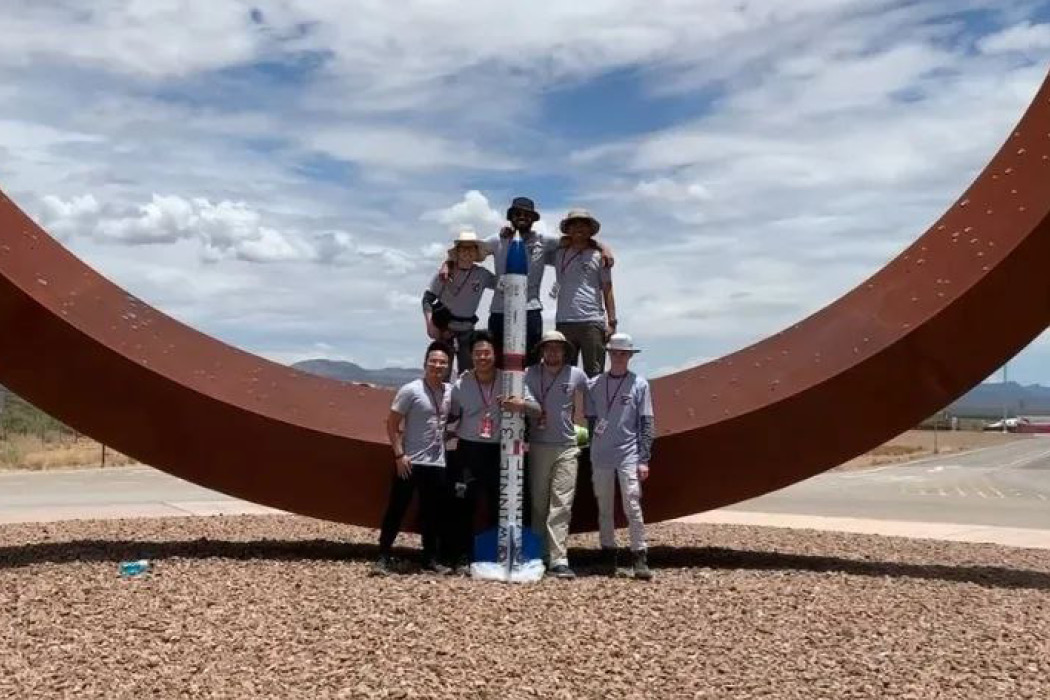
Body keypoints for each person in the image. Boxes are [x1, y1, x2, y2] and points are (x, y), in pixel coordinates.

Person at [436, 196, 615, 367]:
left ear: (533, 218)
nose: (522, 217)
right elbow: (468, 251)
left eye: (527, 214)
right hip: (500, 310)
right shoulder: (498, 240)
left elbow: (576, 239)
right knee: (496, 360)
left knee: (532, 360)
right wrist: (447, 264)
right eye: (517, 214)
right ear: (510, 217)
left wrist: (603, 247)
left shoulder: (543, 241)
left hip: (531, 309)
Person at [446, 330, 541, 574]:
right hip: (469, 450)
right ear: (471, 356)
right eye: (478, 354)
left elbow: (537, 409)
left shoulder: (510, 380)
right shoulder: (461, 383)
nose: (482, 357)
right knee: (465, 503)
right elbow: (449, 415)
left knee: (503, 502)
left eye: (486, 353)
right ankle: (462, 556)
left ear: (494, 354)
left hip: (501, 451)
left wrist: (520, 405)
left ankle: (500, 555)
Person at [374, 341, 455, 576]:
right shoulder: (411, 390)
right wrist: (399, 455)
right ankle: (382, 556)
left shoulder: (449, 392)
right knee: (396, 509)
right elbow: (391, 424)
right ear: (425, 363)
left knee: (433, 513)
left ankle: (429, 559)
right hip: (410, 461)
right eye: (433, 361)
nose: (437, 366)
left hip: (437, 462)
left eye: (442, 363)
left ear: (448, 367)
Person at [585, 332, 654, 580]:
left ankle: (639, 555)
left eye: (623, 353)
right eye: (615, 353)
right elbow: (592, 421)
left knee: (632, 505)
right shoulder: (595, 384)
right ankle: (608, 554)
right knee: (604, 506)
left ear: (629, 356)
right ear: (609, 354)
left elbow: (646, 423)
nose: (619, 357)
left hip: (628, 454)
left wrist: (644, 458)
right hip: (601, 455)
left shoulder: (640, 384)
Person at [525, 330, 589, 579]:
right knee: (539, 504)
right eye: (548, 348)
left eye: (557, 348)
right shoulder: (530, 374)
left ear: (565, 351)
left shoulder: (576, 375)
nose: (553, 352)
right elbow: (528, 404)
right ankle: (539, 556)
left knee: (562, 503)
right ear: (542, 351)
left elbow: (594, 398)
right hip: (539, 445)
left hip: (567, 446)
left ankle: (559, 559)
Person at [551, 209, 617, 377]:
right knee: (563, 374)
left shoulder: (599, 256)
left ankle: (593, 404)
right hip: (564, 321)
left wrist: (612, 322)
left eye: (583, 225)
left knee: (594, 373)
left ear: (590, 230)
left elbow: (607, 288)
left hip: (592, 322)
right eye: (574, 225)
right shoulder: (559, 253)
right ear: (568, 230)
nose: (578, 228)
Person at [421, 230, 496, 374]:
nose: (467, 252)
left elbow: (502, 284)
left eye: (471, 248)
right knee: (441, 372)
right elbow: (427, 298)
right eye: (464, 248)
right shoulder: (445, 272)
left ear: (476, 252)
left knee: (468, 373)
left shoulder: (483, 275)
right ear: (458, 251)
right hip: (445, 329)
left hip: (467, 330)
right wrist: (430, 325)